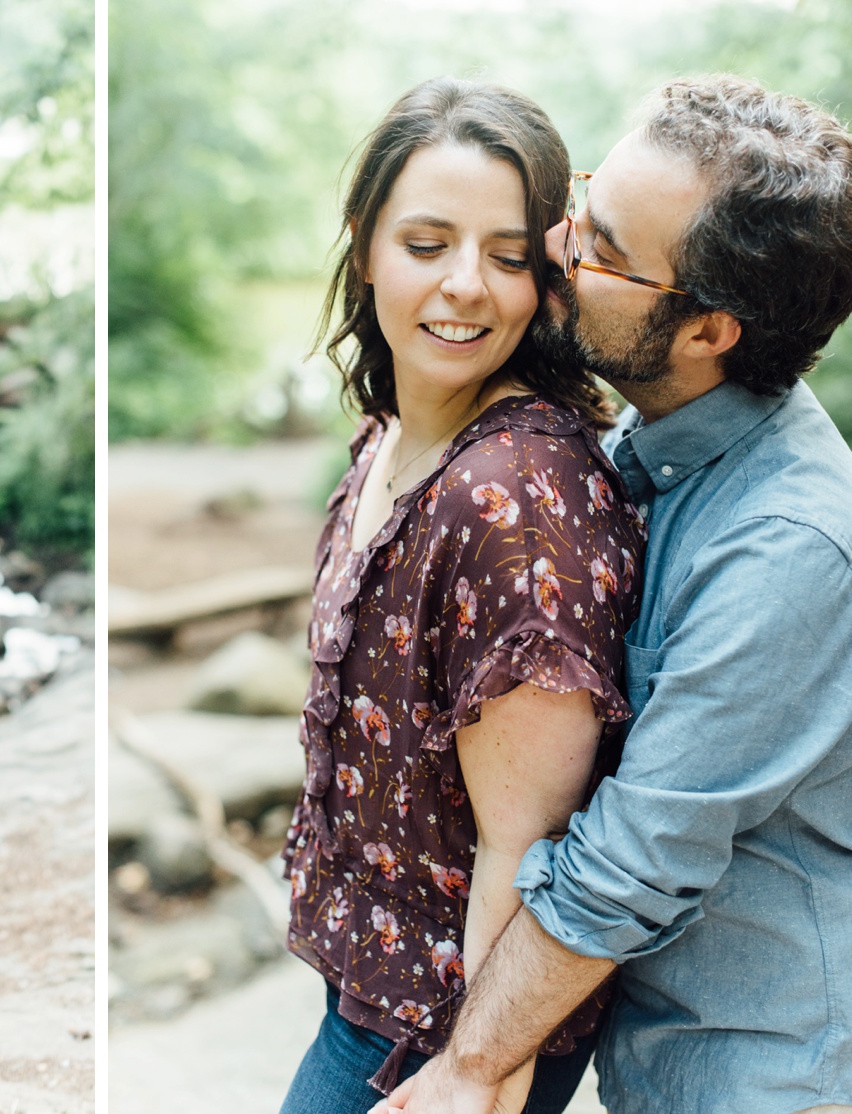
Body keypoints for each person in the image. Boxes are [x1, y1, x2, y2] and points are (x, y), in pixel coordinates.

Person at [375, 75, 852, 1114]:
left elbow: (632, 862)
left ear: (707, 331)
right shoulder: (643, 442)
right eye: (584, 203)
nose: (554, 242)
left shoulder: (789, 547)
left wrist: (466, 1066)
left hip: (767, 1073)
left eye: (600, 248)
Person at [277, 78, 646, 1114]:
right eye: (427, 244)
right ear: (364, 246)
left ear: (550, 274)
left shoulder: (515, 496)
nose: (468, 287)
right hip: (372, 990)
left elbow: (525, 849)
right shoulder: (395, 433)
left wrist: (481, 1074)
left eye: (510, 254)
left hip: (441, 1031)